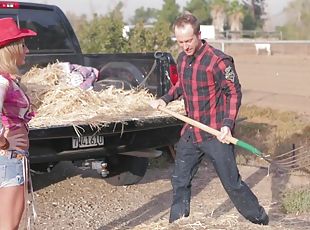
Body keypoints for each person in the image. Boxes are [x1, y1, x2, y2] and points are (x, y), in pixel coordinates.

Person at [149, 13, 269, 225]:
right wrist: (165, 99)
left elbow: (234, 93)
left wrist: (227, 124)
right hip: (191, 132)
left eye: (188, 41)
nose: (185, 46)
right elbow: (182, 87)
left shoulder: (218, 61)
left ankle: (260, 218)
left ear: (199, 35)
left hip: (215, 133)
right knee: (179, 180)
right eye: (180, 42)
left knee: (232, 183)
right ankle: (177, 223)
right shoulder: (182, 58)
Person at [0, 17, 37, 229]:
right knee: (9, 225)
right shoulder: (2, 81)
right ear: (11, 49)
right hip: (9, 157)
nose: (27, 50)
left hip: (10, 157)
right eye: (23, 45)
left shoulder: (6, 79)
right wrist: (3, 142)